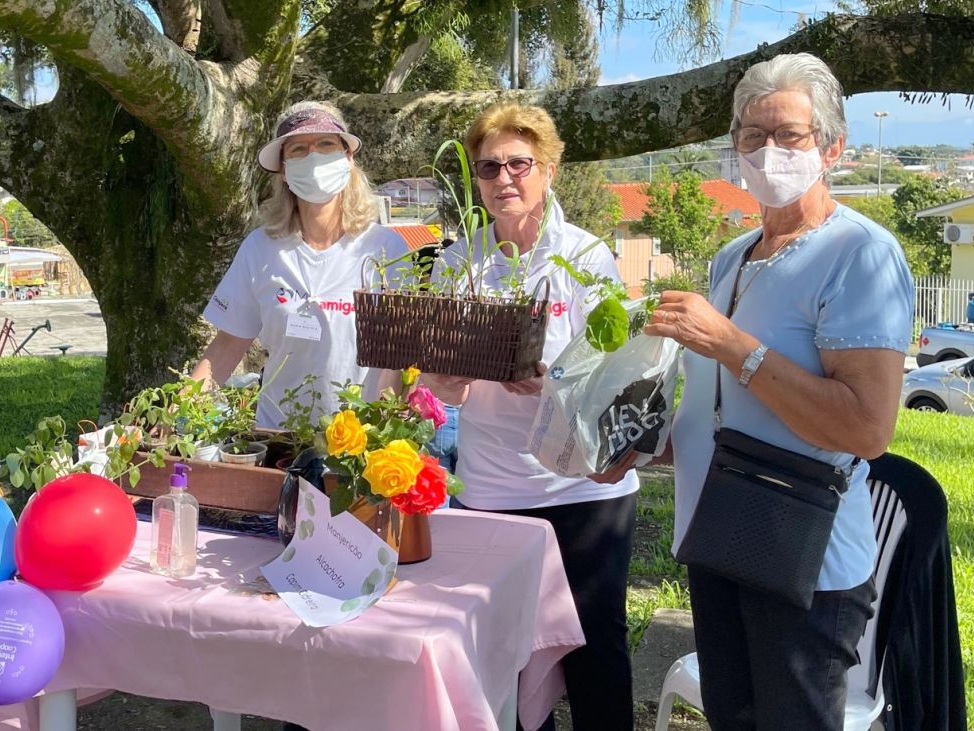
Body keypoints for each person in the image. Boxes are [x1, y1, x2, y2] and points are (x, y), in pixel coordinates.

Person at [642, 53, 914, 729]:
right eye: (751, 136)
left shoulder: (860, 254)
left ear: (832, 146)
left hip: (804, 560)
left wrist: (733, 346)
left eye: (788, 134)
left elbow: (866, 429)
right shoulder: (731, 257)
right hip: (718, 538)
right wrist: (648, 443)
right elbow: (726, 408)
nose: (767, 150)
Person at [424, 102, 640, 731]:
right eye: (489, 167)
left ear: (548, 170)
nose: (504, 178)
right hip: (493, 490)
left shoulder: (585, 257)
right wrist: (448, 379)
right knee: (510, 659)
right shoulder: (455, 262)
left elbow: (615, 376)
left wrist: (552, 387)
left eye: (519, 163)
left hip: (581, 488)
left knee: (595, 649)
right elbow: (441, 391)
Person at [190, 101, 409, 425]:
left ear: (348, 158)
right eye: (298, 149)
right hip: (278, 442)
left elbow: (401, 356)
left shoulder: (386, 249)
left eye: (325, 145)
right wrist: (171, 417)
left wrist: (383, 433)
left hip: (356, 450)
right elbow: (226, 346)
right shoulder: (260, 249)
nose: (314, 157)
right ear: (283, 170)